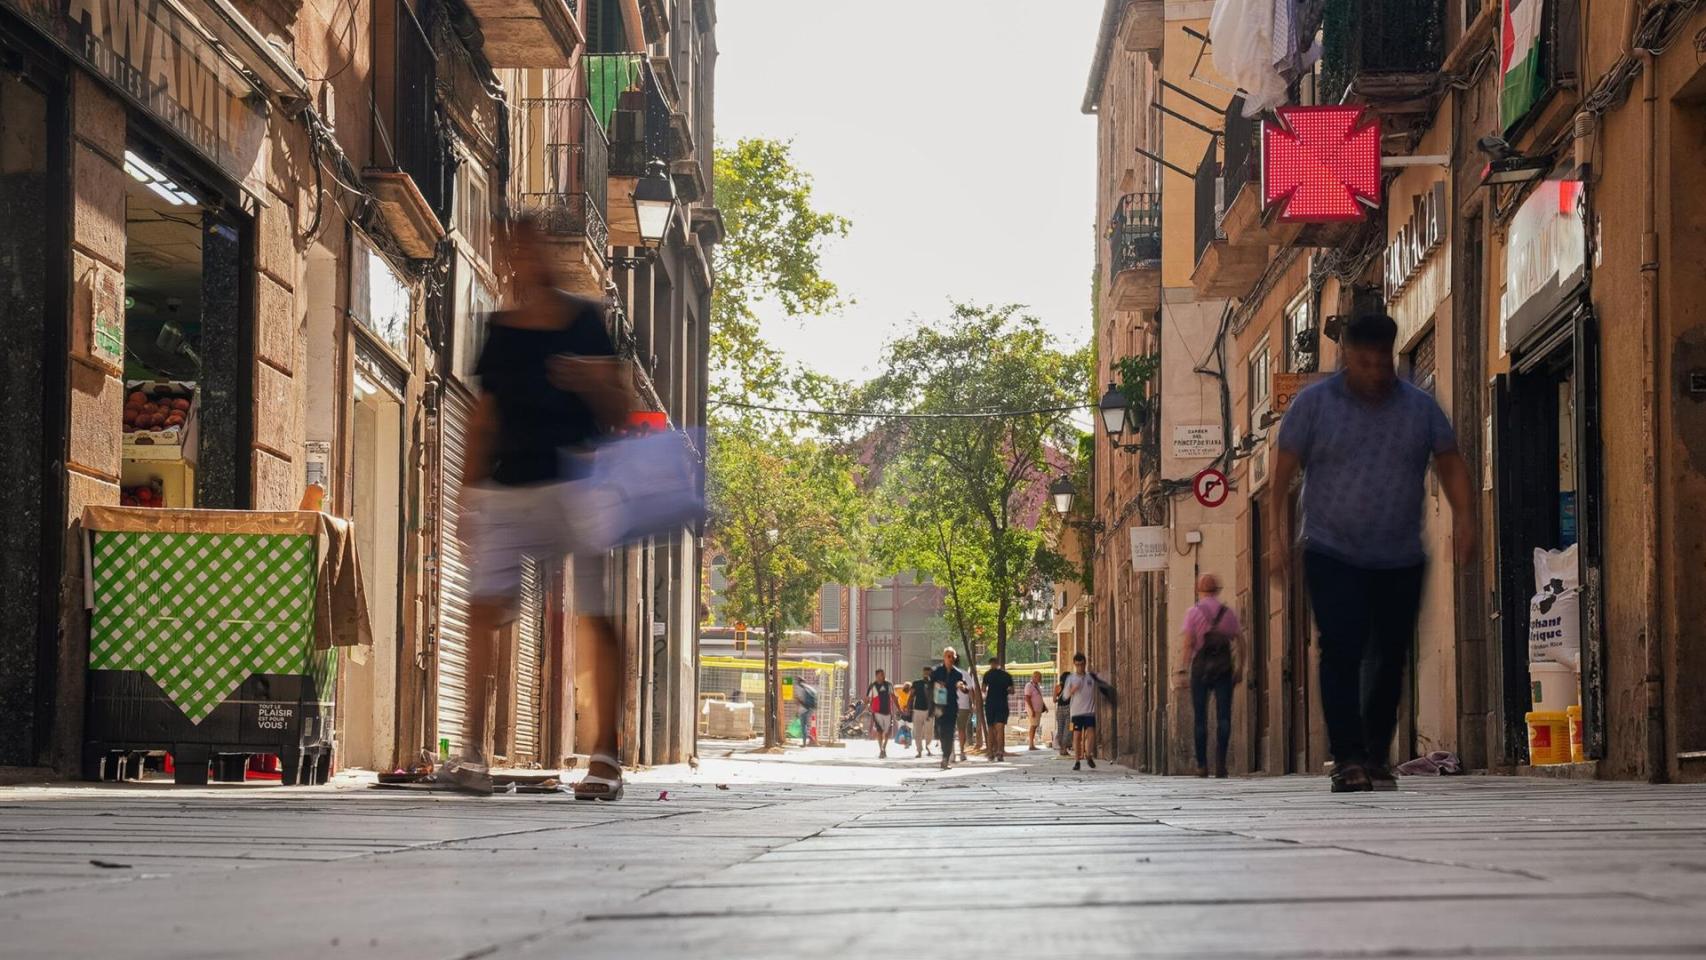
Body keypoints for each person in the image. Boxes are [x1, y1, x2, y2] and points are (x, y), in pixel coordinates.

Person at [457, 216, 632, 799]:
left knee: (595, 613)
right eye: (515, 247)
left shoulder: (585, 321)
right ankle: (471, 752)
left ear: (549, 253)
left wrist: (591, 379)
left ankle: (605, 757)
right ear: (507, 254)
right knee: (483, 608)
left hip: (579, 483)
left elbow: (622, 408)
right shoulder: (501, 331)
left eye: (532, 246)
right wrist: (467, 490)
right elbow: (484, 416)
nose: (524, 256)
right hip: (508, 487)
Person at [1272, 313, 1475, 794]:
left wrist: (1466, 519)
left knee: (1391, 655)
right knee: (1340, 650)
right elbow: (1280, 476)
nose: (1375, 372)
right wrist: (1277, 542)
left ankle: (1376, 755)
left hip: (1399, 553)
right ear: (1347, 356)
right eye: (1364, 362)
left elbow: (1449, 462)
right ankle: (1348, 759)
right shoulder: (1313, 404)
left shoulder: (1419, 407)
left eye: (1382, 361)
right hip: (1330, 549)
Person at [1182, 573, 1242, 779]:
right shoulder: (1228, 613)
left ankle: (1202, 766)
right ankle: (1221, 765)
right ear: (1217, 590)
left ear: (1198, 590)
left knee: (1200, 718)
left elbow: (1188, 643)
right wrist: (1240, 667)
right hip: (1224, 669)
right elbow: (1241, 641)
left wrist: (1183, 669)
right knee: (1224, 717)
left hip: (1200, 669)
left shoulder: (1193, 613)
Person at [1060, 652, 1104, 771]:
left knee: (1091, 732)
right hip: (1076, 712)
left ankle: (1088, 755)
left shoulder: (1091, 677)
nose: (1080, 667)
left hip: (1089, 711)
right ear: (1074, 664)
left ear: (1085, 664)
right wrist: (1072, 690)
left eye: (1082, 664)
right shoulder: (1071, 678)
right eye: (1077, 665)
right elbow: (1064, 696)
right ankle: (1077, 760)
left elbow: (1102, 681)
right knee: (1077, 735)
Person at [929, 648, 971, 770]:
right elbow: (929, 686)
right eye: (948, 656)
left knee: (950, 732)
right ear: (944, 657)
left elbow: (965, 688)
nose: (951, 659)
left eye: (953, 657)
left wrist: (962, 686)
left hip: (952, 707)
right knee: (942, 733)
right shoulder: (936, 671)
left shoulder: (957, 674)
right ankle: (945, 754)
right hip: (939, 706)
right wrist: (937, 685)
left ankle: (945, 758)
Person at [981, 657, 1014, 762]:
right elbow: (1012, 690)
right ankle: (1000, 752)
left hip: (990, 704)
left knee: (990, 728)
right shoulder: (1006, 675)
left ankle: (990, 752)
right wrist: (1005, 690)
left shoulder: (987, 675)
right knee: (1000, 729)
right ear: (998, 663)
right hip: (1002, 703)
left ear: (990, 664)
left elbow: (983, 689)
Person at [866, 669, 896, 759]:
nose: (881, 677)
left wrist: (899, 709)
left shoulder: (889, 685)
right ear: (876, 676)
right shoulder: (872, 686)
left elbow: (893, 697)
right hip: (877, 712)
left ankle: (884, 747)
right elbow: (867, 698)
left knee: (887, 732)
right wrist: (868, 706)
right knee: (880, 731)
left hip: (888, 712)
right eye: (879, 676)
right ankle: (881, 750)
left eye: (882, 675)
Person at [911, 666, 936, 758]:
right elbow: (911, 695)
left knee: (929, 731)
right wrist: (908, 708)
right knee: (917, 732)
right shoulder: (916, 683)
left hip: (929, 711)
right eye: (925, 672)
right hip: (917, 710)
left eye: (928, 673)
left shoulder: (934, 684)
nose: (926, 674)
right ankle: (919, 751)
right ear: (922, 673)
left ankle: (928, 747)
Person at [1024, 671, 1048, 751]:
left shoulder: (1037, 686)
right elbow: (1027, 698)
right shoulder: (1029, 685)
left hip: (1038, 709)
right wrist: (1032, 710)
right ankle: (1031, 745)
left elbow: (1039, 697)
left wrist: (1044, 706)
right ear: (1034, 677)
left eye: (1040, 677)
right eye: (1039, 677)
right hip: (1033, 709)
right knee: (1033, 725)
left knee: (1035, 725)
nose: (1040, 679)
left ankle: (1032, 744)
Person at [793, 677, 820, 746]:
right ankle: (809, 739)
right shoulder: (808, 687)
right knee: (805, 725)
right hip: (809, 708)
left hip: (803, 709)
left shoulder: (799, 688)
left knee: (803, 726)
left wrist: (797, 711)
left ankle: (805, 742)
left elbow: (798, 700)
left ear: (798, 681)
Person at [1054, 672, 1073, 756]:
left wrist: (1059, 699)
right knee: (1068, 730)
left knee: (1060, 729)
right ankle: (1064, 749)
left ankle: (1061, 749)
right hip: (1069, 709)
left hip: (1059, 710)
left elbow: (1054, 700)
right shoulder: (1070, 687)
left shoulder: (1057, 687)